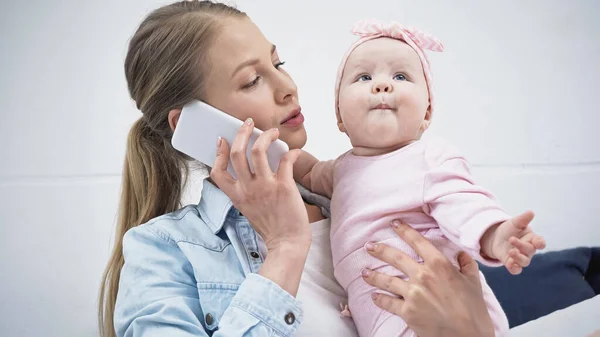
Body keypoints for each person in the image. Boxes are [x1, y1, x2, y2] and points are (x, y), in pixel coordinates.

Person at [97, 2, 518, 337]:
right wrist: (285, 248)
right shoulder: (163, 252)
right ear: (190, 124)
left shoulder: (361, 200)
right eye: (250, 81)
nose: (288, 88)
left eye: (278, 64)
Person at [292, 19, 545, 337]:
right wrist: (264, 140)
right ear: (339, 115)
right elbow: (303, 170)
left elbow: (466, 205)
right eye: (364, 76)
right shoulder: (340, 170)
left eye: (400, 76)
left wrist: (497, 235)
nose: (382, 85)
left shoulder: (430, 159)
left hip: (442, 313)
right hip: (380, 316)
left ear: (427, 113)